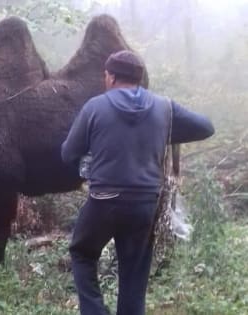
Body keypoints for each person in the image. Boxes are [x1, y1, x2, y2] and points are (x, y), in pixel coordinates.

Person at [61, 50, 214, 315]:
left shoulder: (95, 107)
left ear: (110, 77)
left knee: (82, 253)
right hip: (145, 203)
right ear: (140, 78)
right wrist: (158, 132)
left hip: (104, 201)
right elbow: (206, 127)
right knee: (134, 274)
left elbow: (67, 153)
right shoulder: (164, 106)